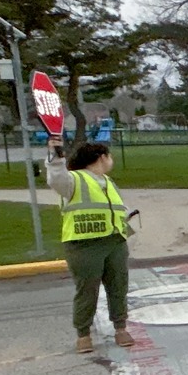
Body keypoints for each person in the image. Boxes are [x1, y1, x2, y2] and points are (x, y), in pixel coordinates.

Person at [47, 138, 138, 354]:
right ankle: (83, 334)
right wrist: (55, 154)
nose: (111, 161)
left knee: (118, 286)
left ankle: (121, 327)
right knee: (87, 289)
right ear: (101, 157)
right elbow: (55, 178)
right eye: (110, 156)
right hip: (83, 244)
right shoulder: (72, 180)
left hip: (114, 242)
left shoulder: (109, 182)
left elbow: (114, 209)